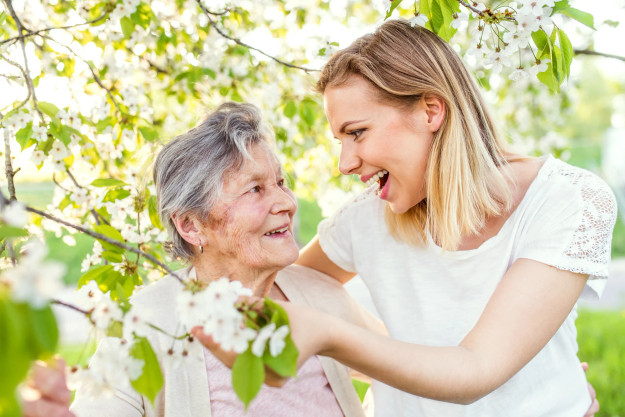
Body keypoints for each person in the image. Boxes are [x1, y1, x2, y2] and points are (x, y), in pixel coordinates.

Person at [201, 20, 614, 417]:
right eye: (340, 140)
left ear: (431, 111)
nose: (345, 163)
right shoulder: (365, 218)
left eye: (357, 132)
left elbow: (478, 368)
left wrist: (549, 385)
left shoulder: (569, 200)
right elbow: (285, 289)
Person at [22, 102, 384, 417]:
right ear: (191, 226)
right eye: (255, 188)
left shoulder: (319, 295)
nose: (287, 203)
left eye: (281, 182)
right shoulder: (142, 325)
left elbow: (404, 374)